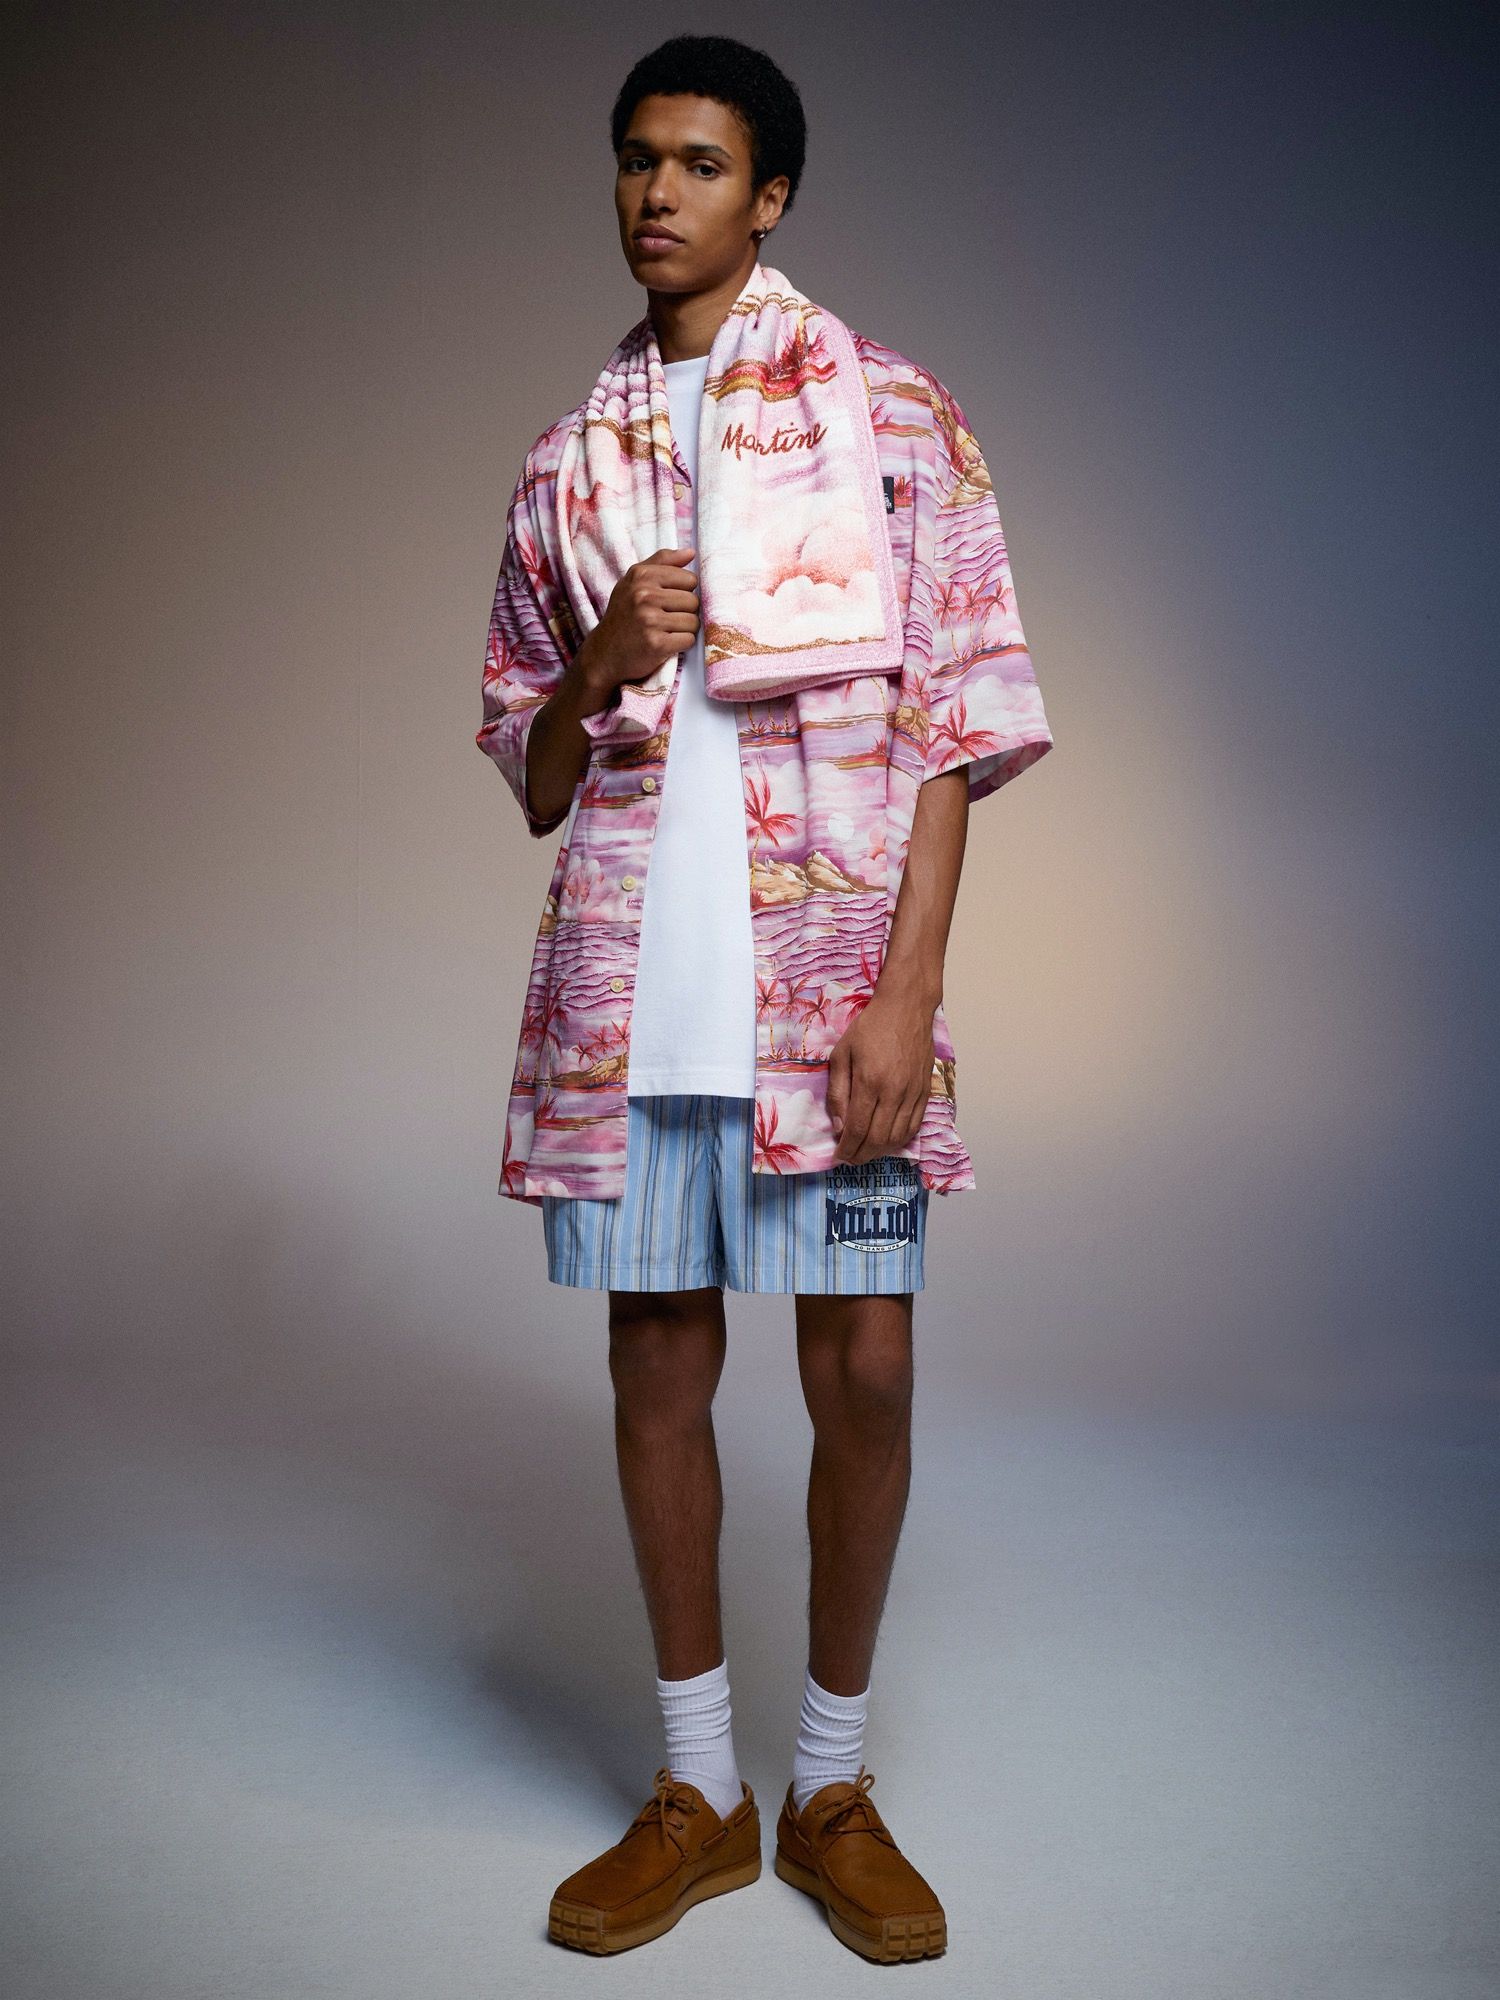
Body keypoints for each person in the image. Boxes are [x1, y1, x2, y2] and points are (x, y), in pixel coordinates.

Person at [476, 33, 1053, 1963]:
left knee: (865, 1366)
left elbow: (957, 720)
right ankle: (697, 1791)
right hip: (635, 989)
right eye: (637, 158)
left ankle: (830, 1784)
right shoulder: (571, 460)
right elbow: (533, 775)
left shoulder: (894, 414)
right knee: (659, 1364)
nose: (658, 192)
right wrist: (592, 666)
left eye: (702, 163)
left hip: (830, 996)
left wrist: (909, 993)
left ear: (771, 194)